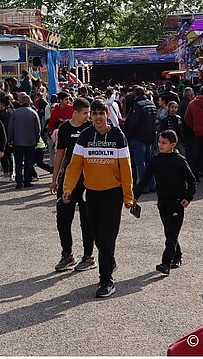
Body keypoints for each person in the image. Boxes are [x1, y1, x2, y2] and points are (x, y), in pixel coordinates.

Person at [62, 99, 134, 298]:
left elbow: (126, 169)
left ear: (108, 114)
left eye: (102, 113)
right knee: (96, 235)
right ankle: (108, 261)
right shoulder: (85, 136)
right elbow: (74, 165)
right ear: (90, 116)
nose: (98, 117)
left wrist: (128, 197)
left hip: (113, 193)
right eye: (94, 114)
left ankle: (106, 280)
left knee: (107, 236)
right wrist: (67, 189)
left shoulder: (118, 136)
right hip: (91, 193)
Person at [133, 129, 196, 275]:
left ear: (173, 144)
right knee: (169, 231)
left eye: (164, 143)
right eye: (159, 142)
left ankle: (165, 263)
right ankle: (177, 256)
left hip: (177, 202)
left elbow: (191, 180)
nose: (160, 145)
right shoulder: (156, 160)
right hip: (162, 201)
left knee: (172, 233)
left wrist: (188, 197)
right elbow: (144, 179)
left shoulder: (180, 160)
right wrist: (135, 195)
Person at [50, 97, 96, 273]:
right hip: (68, 179)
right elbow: (59, 155)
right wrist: (54, 179)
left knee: (87, 219)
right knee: (63, 218)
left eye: (89, 113)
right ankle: (67, 254)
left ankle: (88, 256)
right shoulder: (64, 129)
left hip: (88, 180)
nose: (88, 116)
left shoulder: (90, 128)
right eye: (85, 113)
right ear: (75, 113)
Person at [124, 86, 158, 190]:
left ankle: (144, 186)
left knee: (140, 163)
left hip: (139, 137)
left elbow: (133, 122)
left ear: (136, 94)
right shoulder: (152, 104)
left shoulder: (137, 105)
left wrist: (128, 135)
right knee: (149, 162)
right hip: (150, 136)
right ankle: (152, 184)